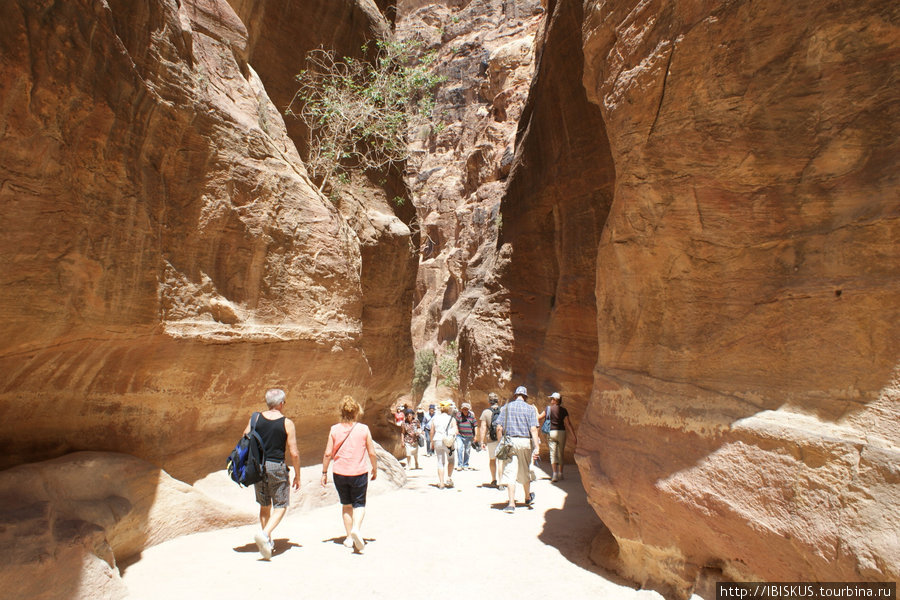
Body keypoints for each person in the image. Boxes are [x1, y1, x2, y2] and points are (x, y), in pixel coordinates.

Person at [247, 388, 301, 560]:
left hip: (259, 466)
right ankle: (265, 534)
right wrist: (297, 475)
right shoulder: (287, 423)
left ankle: (267, 542)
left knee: (264, 505)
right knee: (281, 505)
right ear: (280, 403)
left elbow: (245, 437)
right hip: (276, 466)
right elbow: (294, 453)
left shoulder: (255, 418)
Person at [321, 396, 378, 552]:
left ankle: (348, 537)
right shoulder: (363, 429)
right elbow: (372, 452)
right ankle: (357, 530)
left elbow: (327, 453)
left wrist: (324, 472)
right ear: (356, 412)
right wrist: (375, 468)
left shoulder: (334, 429)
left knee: (346, 505)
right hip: (359, 472)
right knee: (359, 504)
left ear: (341, 411)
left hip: (340, 472)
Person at [495, 386, 540, 513]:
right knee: (525, 469)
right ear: (525, 397)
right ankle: (527, 497)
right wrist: (537, 446)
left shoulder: (505, 408)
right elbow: (533, 429)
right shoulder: (530, 409)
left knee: (510, 471)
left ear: (515, 396)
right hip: (525, 442)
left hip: (509, 442)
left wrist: (500, 443)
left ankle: (511, 504)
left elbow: (499, 427)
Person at [543, 392, 577, 481]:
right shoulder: (564, 410)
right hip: (561, 432)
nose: (551, 400)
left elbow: (539, 417)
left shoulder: (548, 409)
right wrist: (574, 436)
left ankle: (554, 474)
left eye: (552, 399)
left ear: (555, 400)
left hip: (551, 432)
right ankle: (560, 474)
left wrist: (534, 410)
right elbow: (568, 423)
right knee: (560, 453)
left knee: (552, 453)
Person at [429, 400, 458, 489]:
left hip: (437, 440)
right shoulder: (451, 419)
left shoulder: (435, 418)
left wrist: (431, 442)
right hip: (448, 441)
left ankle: (441, 483)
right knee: (451, 460)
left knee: (440, 462)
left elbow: (432, 431)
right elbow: (456, 431)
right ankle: (449, 478)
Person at [477, 393, 501, 487]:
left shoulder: (485, 412)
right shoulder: (503, 411)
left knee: (492, 460)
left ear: (489, 401)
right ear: (497, 400)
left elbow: (483, 428)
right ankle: (501, 482)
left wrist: (482, 441)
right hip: (501, 439)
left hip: (491, 439)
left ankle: (494, 479)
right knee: (501, 461)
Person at [455, 402, 478, 470]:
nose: (465, 410)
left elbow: (475, 426)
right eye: (464, 409)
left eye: (466, 409)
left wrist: (476, 436)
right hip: (460, 435)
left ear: (468, 409)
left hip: (469, 436)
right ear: (461, 409)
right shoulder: (458, 415)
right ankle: (460, 464)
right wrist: (456, 430)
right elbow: (455, 423)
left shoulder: (472, 416)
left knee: (467, 450)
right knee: (459, 448)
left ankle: (465, 464)